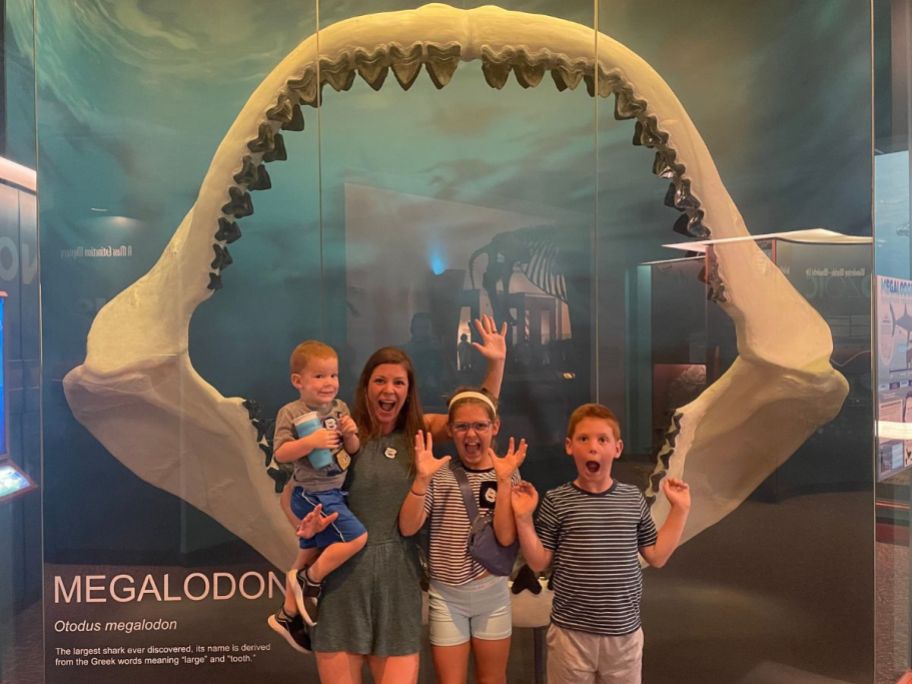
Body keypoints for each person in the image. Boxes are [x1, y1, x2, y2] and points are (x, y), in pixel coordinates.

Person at [309, 315, 507, 684]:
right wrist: (308, 532)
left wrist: (496, 363)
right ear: (366, 385)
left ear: (408, 389)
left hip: (399, 583)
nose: (389, 389)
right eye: (380, 380)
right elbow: (297, 490)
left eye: (398, 382)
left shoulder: (419, 433)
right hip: (343, 582)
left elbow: (476, 414)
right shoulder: (340, 430)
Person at [511, 403, 691, 684]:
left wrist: (679, 510)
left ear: (617, 449)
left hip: (623, 635)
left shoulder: (632, 499)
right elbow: (538, 562)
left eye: (602, 439)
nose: (593, 447)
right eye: (584, 439)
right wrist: (523, 518)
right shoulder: (557, 501)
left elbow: (657, 556)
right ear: (570, 446)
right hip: (570, 635)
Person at [398, 388, 525, 684]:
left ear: (494, 427)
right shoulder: (439, 474)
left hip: (492, 595)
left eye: (480, 425)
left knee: (493, 679)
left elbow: (506, 538)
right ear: (450, 431)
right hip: (446, 597)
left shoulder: (507, 473)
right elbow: (407, 527)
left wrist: (505, 480)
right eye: (462, 426)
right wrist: (421, 479)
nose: (471, 435)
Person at [267, 341, 365, 652]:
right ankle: (310, 581)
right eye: (319, 376)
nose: (329, 383)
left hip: (335, 490)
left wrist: (350, 433)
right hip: (314, 494)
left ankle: (287, 614)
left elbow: (353, 451)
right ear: (299, 381)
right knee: (357, 538)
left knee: (306, 553)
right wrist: (310, 441)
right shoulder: (291, 411)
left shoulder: (340, 408)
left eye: (333, 376)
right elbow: (281, 453)